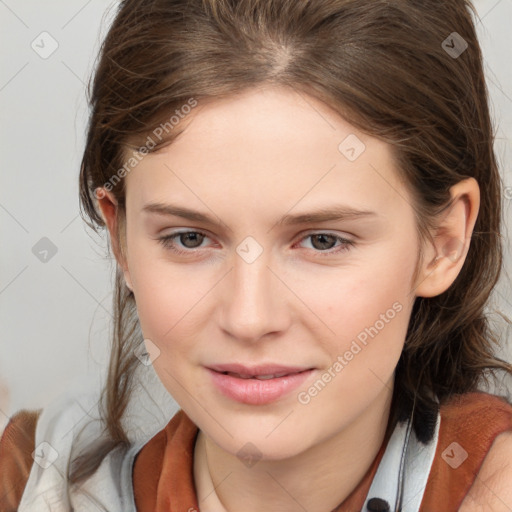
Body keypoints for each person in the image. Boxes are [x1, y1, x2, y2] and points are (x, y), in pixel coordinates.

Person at [1, 0, 512, 510]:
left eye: (322, 241)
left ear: (443, 241)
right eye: (190, 238)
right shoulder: (24, 484)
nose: (249, 319)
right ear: (121, 238)